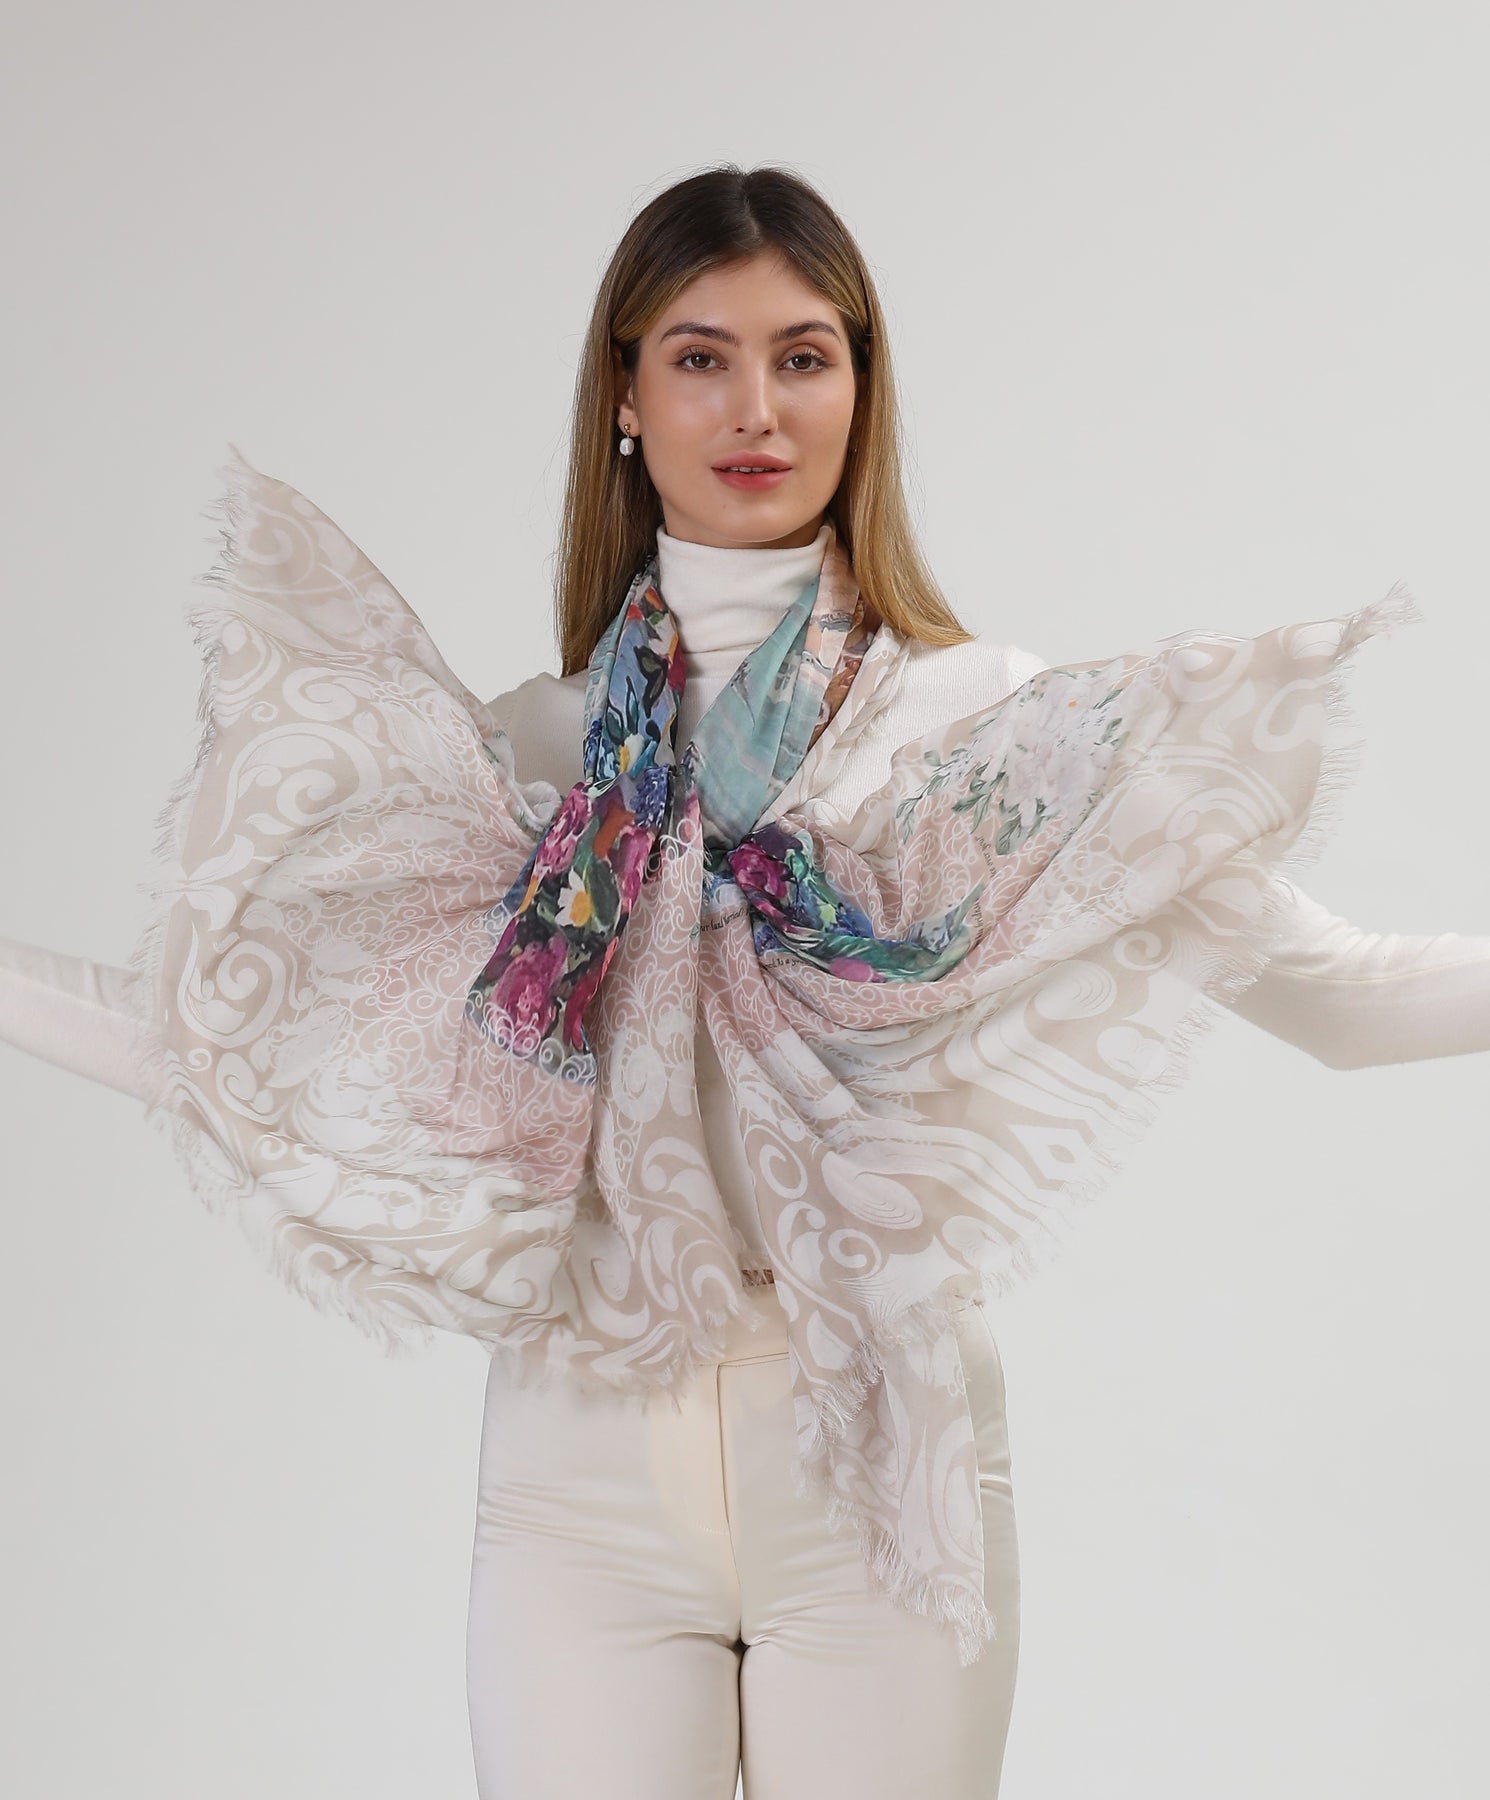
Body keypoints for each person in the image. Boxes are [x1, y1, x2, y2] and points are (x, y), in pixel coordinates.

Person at [2, 164, 1488, 1800]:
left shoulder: (984, 733)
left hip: (873, 1466)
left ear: (860, 389)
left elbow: (1348, 1001)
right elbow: (232, 1038)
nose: (755, 407)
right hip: (577, 1472)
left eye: (803, 355)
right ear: (625, 397)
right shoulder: (531, 754)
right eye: (700, 357)